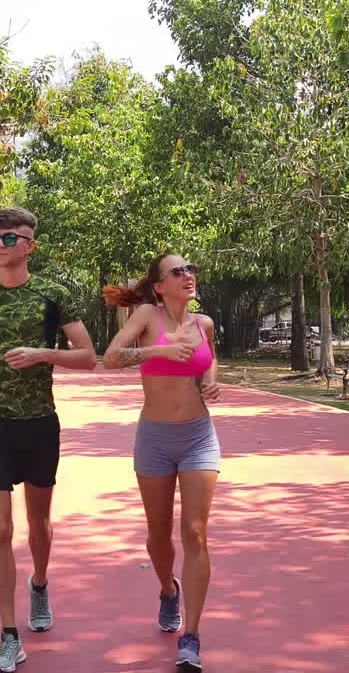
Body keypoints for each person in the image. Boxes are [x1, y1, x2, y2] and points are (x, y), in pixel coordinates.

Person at [0, 207, 97, 673]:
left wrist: (42, 354)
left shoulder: (53, 295)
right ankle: (9, 635)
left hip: (39, 422)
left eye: (9, 238)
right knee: (0, 530)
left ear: (29, 246)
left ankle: (39, 583)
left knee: (39, 523)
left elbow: (88, 357)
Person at [102, 253, 220, 672]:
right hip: (154, 438)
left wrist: (210, 383)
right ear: (159, 286)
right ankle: (167, 590)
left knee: (195, 532)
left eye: (190, 269)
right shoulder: (148, 315)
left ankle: (191, 635)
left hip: (198, 437)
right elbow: (111, 358)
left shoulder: (203, 324)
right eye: (177, 271)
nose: (188, 275)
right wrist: (157, 352)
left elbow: (209, 367)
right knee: (157, 536)